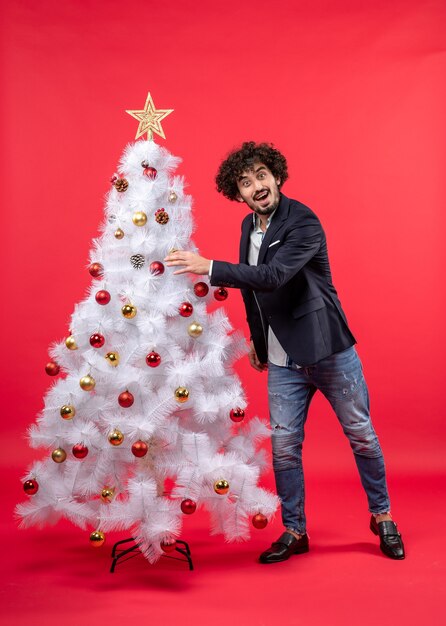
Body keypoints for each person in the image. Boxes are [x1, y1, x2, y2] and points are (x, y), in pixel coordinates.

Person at [165, 141, 405, 562]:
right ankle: (295, 530)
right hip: (281, 360)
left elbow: (273, 276)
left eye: (261, 175)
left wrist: (211, 267)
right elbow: (255, 295)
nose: (255, 185)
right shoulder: (247, 227)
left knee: (362, 437)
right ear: (236, 194)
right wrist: (259, 344)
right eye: (244, 181)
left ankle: (382, 517)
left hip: (328, 350)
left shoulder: (304, 221)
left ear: (276, 177)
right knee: (284, 447)